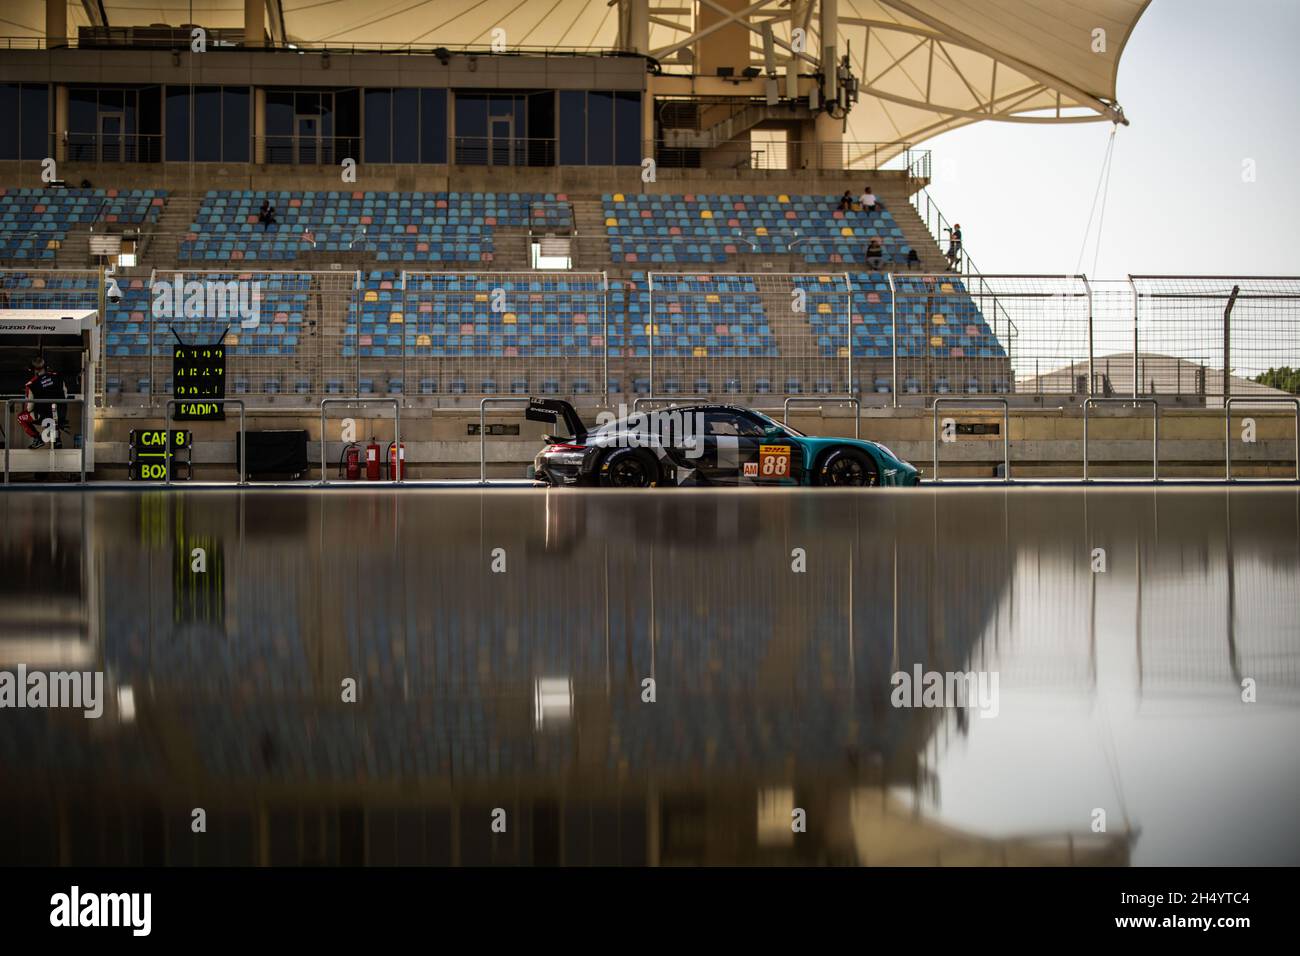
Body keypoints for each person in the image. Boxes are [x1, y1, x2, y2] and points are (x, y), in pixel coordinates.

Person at [17, 355, 68, 449]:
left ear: (34, 370)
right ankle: (57, 440)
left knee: (20, 417)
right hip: (60, 413)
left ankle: (37, 439)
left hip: (43, 416)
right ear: (46, 367)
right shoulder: (57, 377)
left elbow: (29, 407)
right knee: (53, 414)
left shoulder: (31, 384)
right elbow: (65, 394)